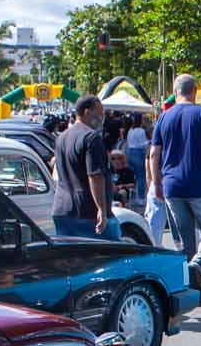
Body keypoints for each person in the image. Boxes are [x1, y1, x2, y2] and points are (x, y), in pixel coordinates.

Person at [149, 73, 201, 280]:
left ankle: (189, 284)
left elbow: (154, 154)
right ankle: (199, 263)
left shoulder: (164, 117)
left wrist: (156, 183)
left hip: (172, 187)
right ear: (194, 91)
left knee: (185, 241)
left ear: (175, 92)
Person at [51, 94, 121, 241]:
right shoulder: (91, 137)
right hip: (88, 212)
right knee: (112, 251)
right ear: (87, 112)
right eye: (100, 113)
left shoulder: (61, 138)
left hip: (62, 209)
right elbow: (95, 176)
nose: (102, 118)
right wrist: (101, 209)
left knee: (72, 254)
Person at [122, 113, 150, 204]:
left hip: (130, 152)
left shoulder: (130, 130)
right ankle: (141, 197)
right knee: (141, 176)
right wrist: (149, 143)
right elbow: (143, 144)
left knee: (132, 176)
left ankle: (132, 197)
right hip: (138, 153)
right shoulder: (141, 131)